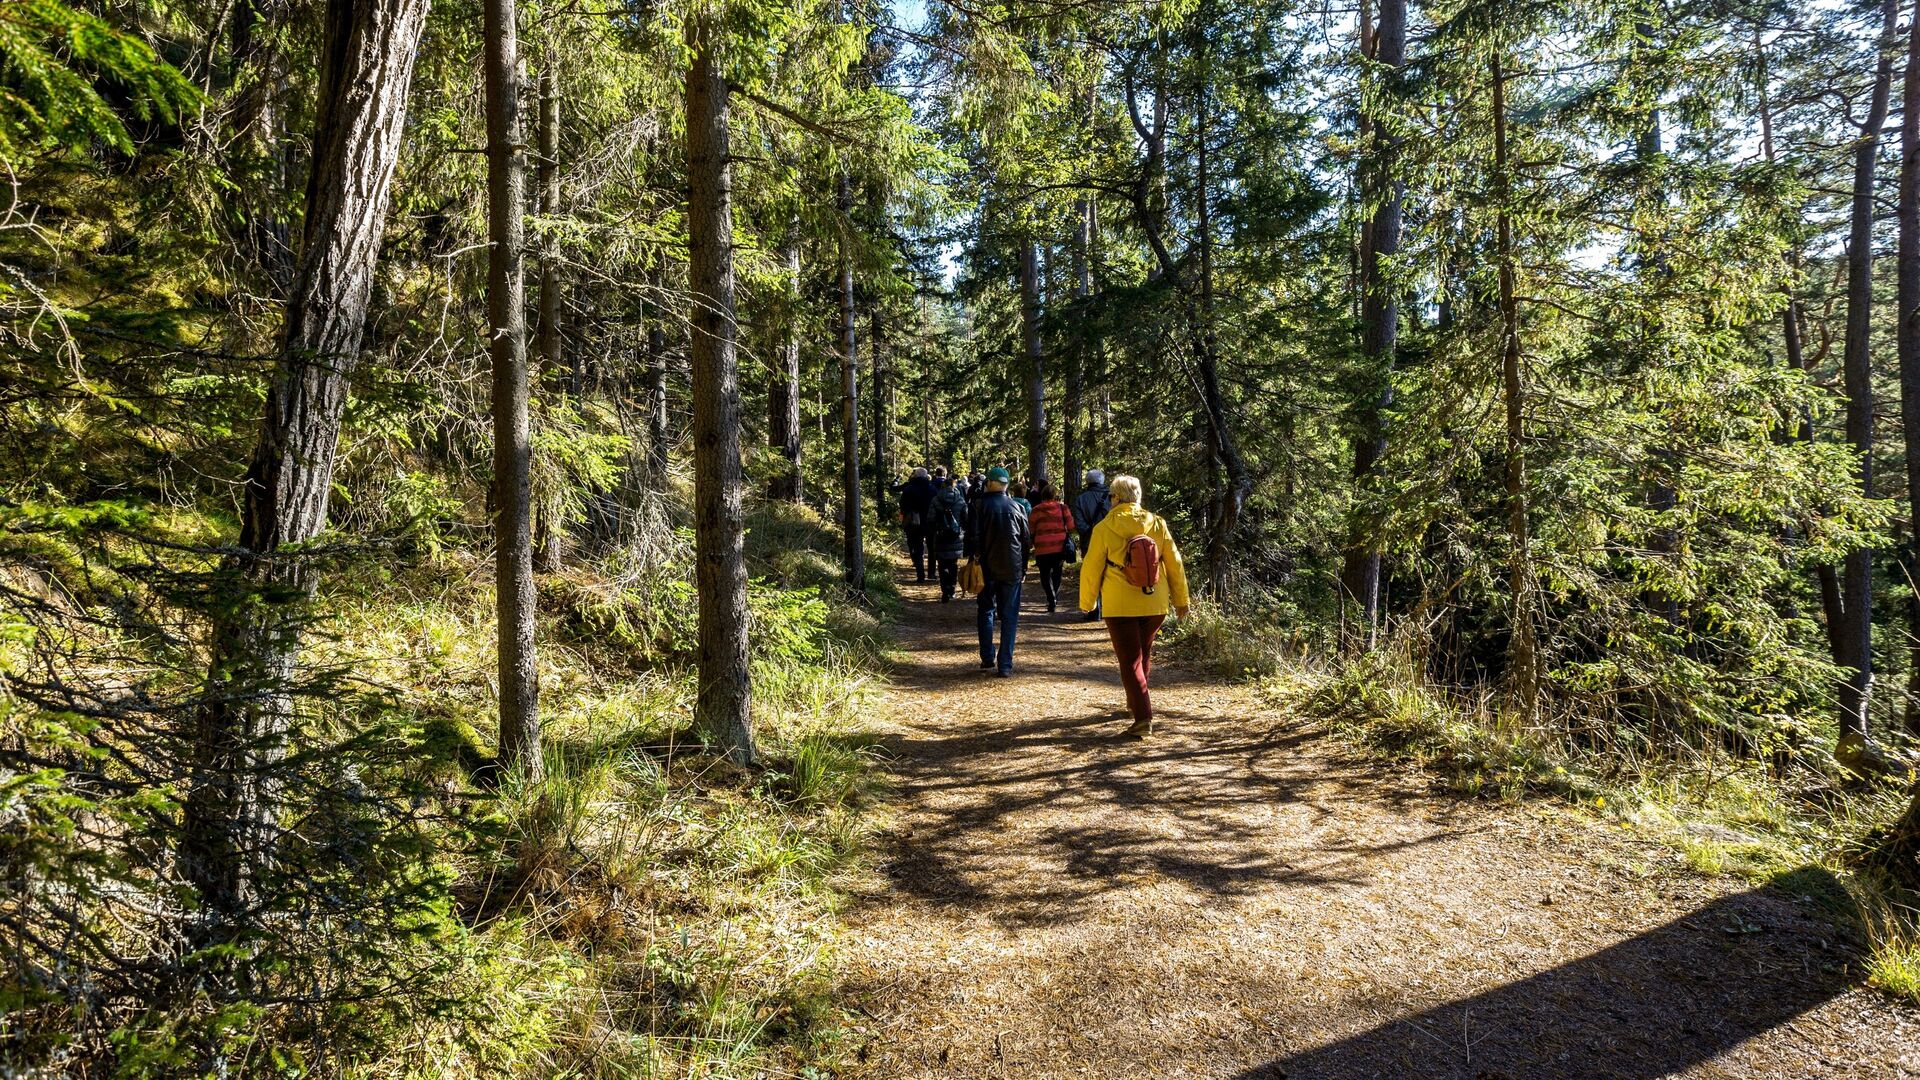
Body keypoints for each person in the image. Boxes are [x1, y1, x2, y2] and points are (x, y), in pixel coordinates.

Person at [1080, 474, 1189, 737]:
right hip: (1155, 601)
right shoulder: (1157, 524)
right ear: (1138, 496)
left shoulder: (1104, 528)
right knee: (1143, 654)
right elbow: (1174, 563)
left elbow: (1092, 568)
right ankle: (1135, 703)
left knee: (1130, 661)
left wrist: (1088, 602)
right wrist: (1181, 600)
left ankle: (1143, 718)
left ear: (1115, 498)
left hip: (1120, 604)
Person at [966, 466, 1031, 676]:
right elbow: (1025, 540)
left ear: (989, 483)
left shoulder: (977, 505)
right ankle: (1005, 665)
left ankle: (987, 657)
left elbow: (972, 537)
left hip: (985, 567)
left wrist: (975, 557)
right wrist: (1023, 568)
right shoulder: (1017, 507)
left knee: (986, 610)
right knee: (1010, 615)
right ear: (1005, 485)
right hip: (1011, 568)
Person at [1027, 481, 1075, 612]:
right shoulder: (1063, 508)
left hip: (1042, 547)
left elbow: (1031, 528)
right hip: (1059, 547)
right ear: (1055, 495)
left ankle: (1051, 598)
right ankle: (1054, 597)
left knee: (1044, 574)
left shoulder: (1036, 510)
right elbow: (1071, 526)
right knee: (1057, 572)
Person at [1072, 468, 1113, 621]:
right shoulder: (1113, 497)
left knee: (1091, 576)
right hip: (1111, 542)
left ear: (1087, 482)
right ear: (1102, 481)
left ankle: (1094, 611)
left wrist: (1091, 532)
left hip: (1089, 542)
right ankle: (1109, 609)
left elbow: (1080, 525)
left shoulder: (1081, 499)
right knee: (1111, 574)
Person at [928, 470, 968, 601]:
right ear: (955, 486)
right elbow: (966, 519)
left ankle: (945, 591)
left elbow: (931, 519)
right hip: (956, 536)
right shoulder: (960, 501)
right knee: (953, 564)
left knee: (942, 564)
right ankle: (952, 589)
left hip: (940, 536)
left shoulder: (935, 500)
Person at [894, 466, 936, 582]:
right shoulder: (932, 489)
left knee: (918, 548)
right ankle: (931, 573)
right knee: (932, 549)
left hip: (914, 522)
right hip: (930, 522)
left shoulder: (909, 489)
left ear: (915, 476)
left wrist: (905, 516)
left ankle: (920, 575)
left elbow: (903, 505)